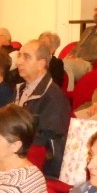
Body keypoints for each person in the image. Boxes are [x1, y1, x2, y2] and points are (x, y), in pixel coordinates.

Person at [15, 40, 71, 178]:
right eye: (19, 56)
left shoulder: (53, 97)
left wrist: (11, 147)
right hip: (17, 152)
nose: (19, 62)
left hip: (41, 165)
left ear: (41, 64)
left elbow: (46, 139)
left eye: (26, 57)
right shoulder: (20, 89)